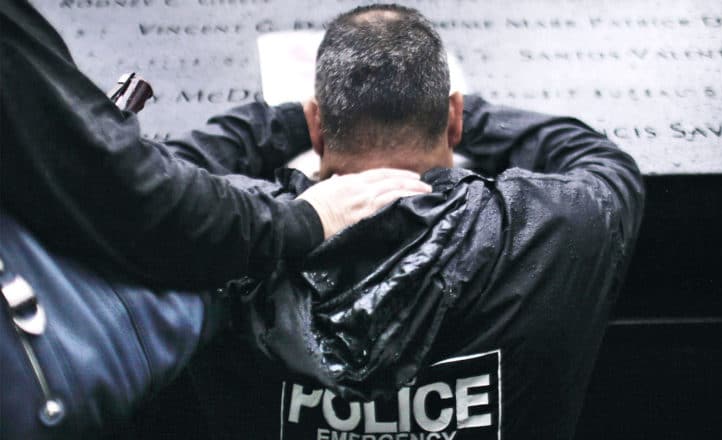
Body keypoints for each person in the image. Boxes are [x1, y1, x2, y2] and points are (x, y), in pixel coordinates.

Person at [167, 4, 645, 440]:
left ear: (318, 125)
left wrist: (292, 117)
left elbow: (152, 186)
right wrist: (452, 109)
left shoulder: (232, 239)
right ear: (451, 117)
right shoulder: (554, 230)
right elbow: (600, 159)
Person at [0, 0, 430, 288]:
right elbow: (121, 190)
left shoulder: (239, 258)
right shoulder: (492, 234)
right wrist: (307, 219)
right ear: (453, 119)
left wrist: (283, 126)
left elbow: (121, 176)